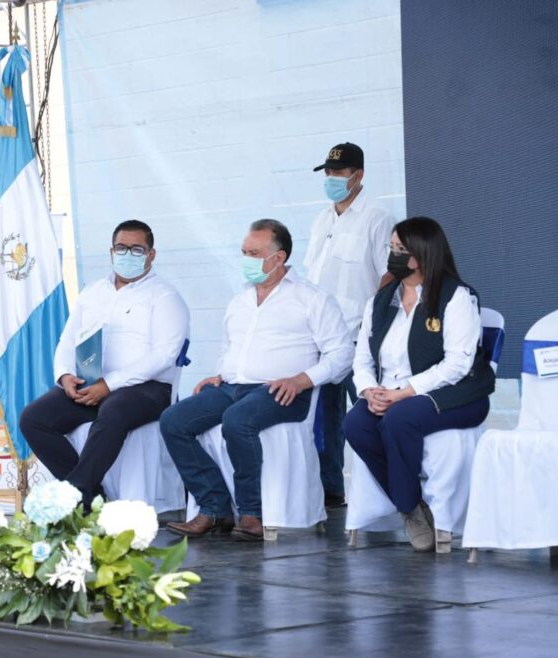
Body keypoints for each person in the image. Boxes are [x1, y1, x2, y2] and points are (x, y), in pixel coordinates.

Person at [161, 220, 352, 541]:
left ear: (279, 257)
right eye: (244, 253)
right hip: (231, 386)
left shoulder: (312, 299)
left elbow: (342, 353)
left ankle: (252, 514)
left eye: (254, 253)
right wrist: (220, 373)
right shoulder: (240, 300)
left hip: (282, 390)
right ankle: (214, 507)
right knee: (173, 420)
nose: (246, 260)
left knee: (237, 421)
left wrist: (302, 380)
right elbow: (229, 347)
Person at [344, 217, 494, 552]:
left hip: (456, 395)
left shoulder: (456, 297)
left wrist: (403, 393)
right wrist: (369, 391)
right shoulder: (380, 301)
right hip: (392, 393)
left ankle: (407, 505)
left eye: (401, 249)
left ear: (423, 253)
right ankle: (411, 508)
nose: (392, 255)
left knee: (399, 419)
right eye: (391, 247)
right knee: (355, 423)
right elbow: (362, 358)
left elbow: (457, 365)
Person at [19, 219, 189, 509]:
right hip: (94, 384)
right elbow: (67, 339)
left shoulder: (165, 296)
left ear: (151, 255)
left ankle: (76, 495)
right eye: (121, 248)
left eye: (137, 249)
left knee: (113, 410)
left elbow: (164, 354)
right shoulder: (93, 292)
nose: (127, 254)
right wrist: (65, 375)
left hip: (148, 389)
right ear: (111, 251)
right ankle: (92, 497)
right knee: (33, 418)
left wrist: (110, 384)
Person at [303, 142, 395, 508]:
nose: (332, 179)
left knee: (371, 412)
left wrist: (374, 324)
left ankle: (388, 491)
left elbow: (389, 274)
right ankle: (332, 490)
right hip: (322, 336)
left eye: (339, 173)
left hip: (360, 335)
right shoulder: (321, 220)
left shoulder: (377, 218)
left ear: (358, 175)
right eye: (328, 172)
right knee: (326, 418)